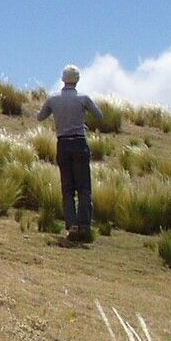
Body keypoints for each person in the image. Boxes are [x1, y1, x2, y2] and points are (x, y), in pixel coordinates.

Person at [37, 65, 102, 242]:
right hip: (80, 143)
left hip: (63, 144)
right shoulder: (84, 99)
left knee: (67, 188)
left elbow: (40, 117)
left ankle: (71, 225)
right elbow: (100, 115)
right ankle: (84, 226)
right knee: (84, 188)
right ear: (77, 79)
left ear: (63, 79)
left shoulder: (53, 100)